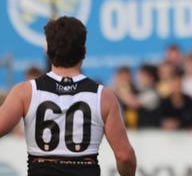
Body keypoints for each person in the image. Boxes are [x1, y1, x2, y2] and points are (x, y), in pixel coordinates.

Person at [0, 16, 136, 176]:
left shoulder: (25, 91)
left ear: (47, 49)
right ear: (84, 51)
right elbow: (124, 156)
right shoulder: (103, 96)